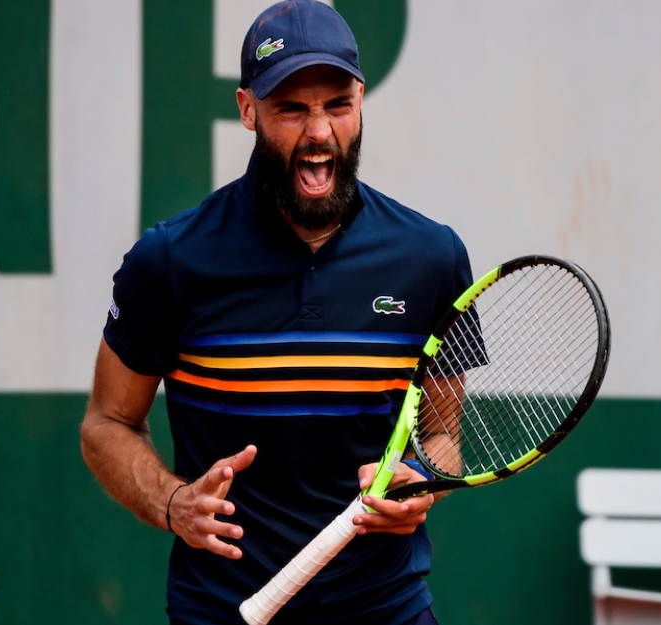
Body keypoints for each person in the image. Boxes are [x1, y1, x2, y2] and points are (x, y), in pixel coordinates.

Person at [80, 1, 473, 623]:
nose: (319, 132)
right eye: (291, 108)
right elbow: (107, 423)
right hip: (221, 609)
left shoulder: (431, 259)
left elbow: (441, 435)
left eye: (337, 104)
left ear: (361, 102)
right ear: (247, 110)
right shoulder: (170, 260)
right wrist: (175, 501)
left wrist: (421, 479)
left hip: (385, 609)